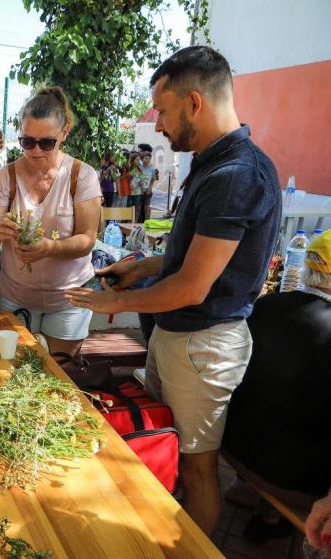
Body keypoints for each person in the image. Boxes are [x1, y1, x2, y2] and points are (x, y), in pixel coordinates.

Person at [66, 46, 282, 535]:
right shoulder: (213, 164)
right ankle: (161, 537)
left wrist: (114, 302)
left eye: (162, 111)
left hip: (204, 343)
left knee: (197, 467)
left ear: (194, 102)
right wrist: (140, 267)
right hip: (180, 337)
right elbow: (189, 258)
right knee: (162, 444)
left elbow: (191, 285)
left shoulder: (235, 176)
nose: (158, 125)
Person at [0, 86, 102, 355]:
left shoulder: (82, 175)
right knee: (16, 372)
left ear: (64, 132)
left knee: (60, 374)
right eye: (27, 142)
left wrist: (49, 248)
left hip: (70, 299)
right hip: (16, 297)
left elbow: (87, 240)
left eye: (46, 143)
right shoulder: (4, 178)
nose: (35, 151)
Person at [220, 230, 331, 524]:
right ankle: (270, 524)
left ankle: (252, 499)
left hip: (234, 450)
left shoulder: (265, 305)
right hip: (292, 481)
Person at [139, 150, 159, 221]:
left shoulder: (152, 168)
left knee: (147, 207)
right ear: (142, 159)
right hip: (139, 190)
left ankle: (147, 222)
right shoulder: (140, 167)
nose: (147, 160)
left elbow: (153, 179)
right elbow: (138, 178)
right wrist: (140, 189)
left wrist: (150, 188)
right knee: (138, 208)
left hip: (148, 191)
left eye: (149, 158)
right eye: (146, 158)